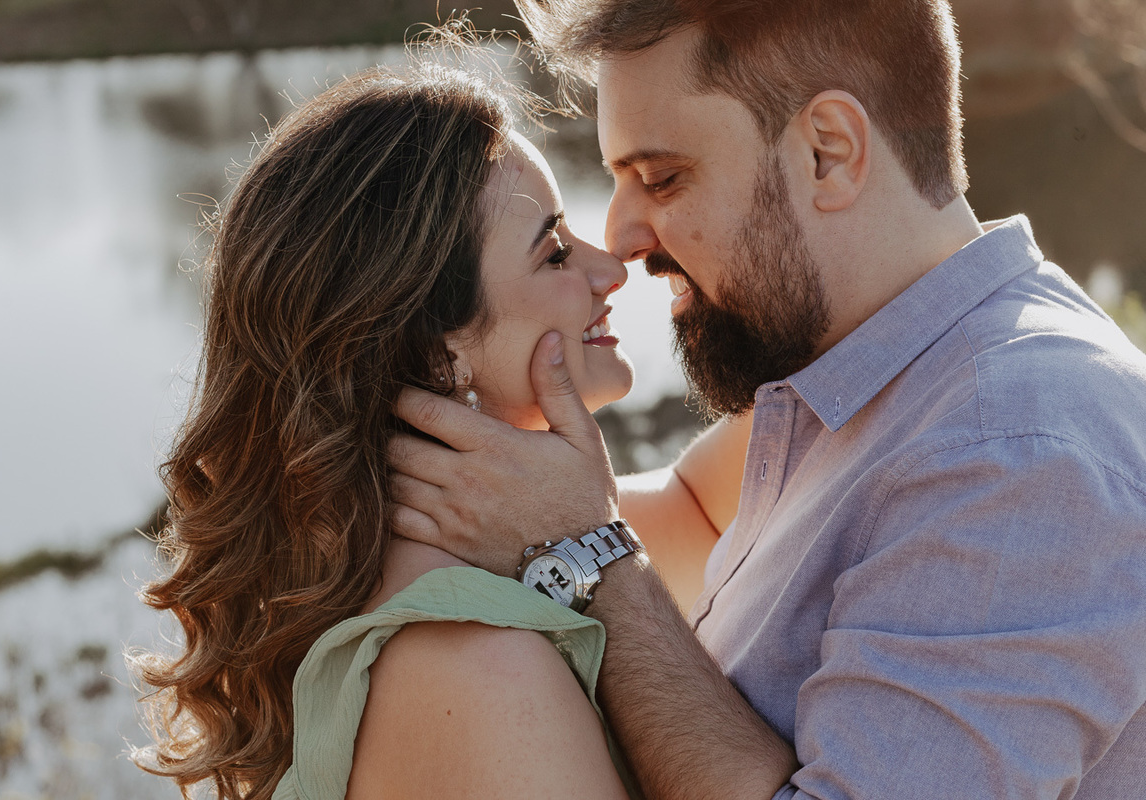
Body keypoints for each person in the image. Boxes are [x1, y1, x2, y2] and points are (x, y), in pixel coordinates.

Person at [388, 1, 1146, 798]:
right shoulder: (879, 376)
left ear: (828, 152)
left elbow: (598, 531)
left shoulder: (1010, 451)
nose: (620, 238)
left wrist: (590, 557)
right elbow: (679, 508)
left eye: (662, 178)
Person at [132, 43, 644, 799]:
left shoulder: (372, 555)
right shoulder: (484, 675)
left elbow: (718, 492)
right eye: (556, 254)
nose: (612, 270)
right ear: (440, 356)